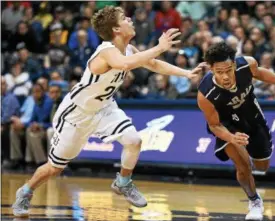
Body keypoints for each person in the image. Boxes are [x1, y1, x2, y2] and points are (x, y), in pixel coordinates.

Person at [12, 6, 204, 217]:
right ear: (116, 29)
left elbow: (152, 64)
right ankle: (26, 191)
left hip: (105, 107)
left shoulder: (129, 49)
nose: (130, 18)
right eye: (124, 18)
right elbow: (123, 64)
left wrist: (186, 73)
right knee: (55, 168)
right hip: (78, 114)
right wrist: (159, 46)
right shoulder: (105, 52)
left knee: (134, 140)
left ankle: (123, 182)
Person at [197, 42, 275, 220]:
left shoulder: (247, 64)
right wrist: (231, 138)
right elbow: (214, 125)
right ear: (211, 69)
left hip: (252, 118)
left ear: (234, 64)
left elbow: (261, 73)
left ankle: (251, 164)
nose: (225, 76)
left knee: (262, 166)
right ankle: (254, 201)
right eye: (219, 72)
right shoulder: (205, 95)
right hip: (226, 125)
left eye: (228, 70)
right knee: (243, 166)